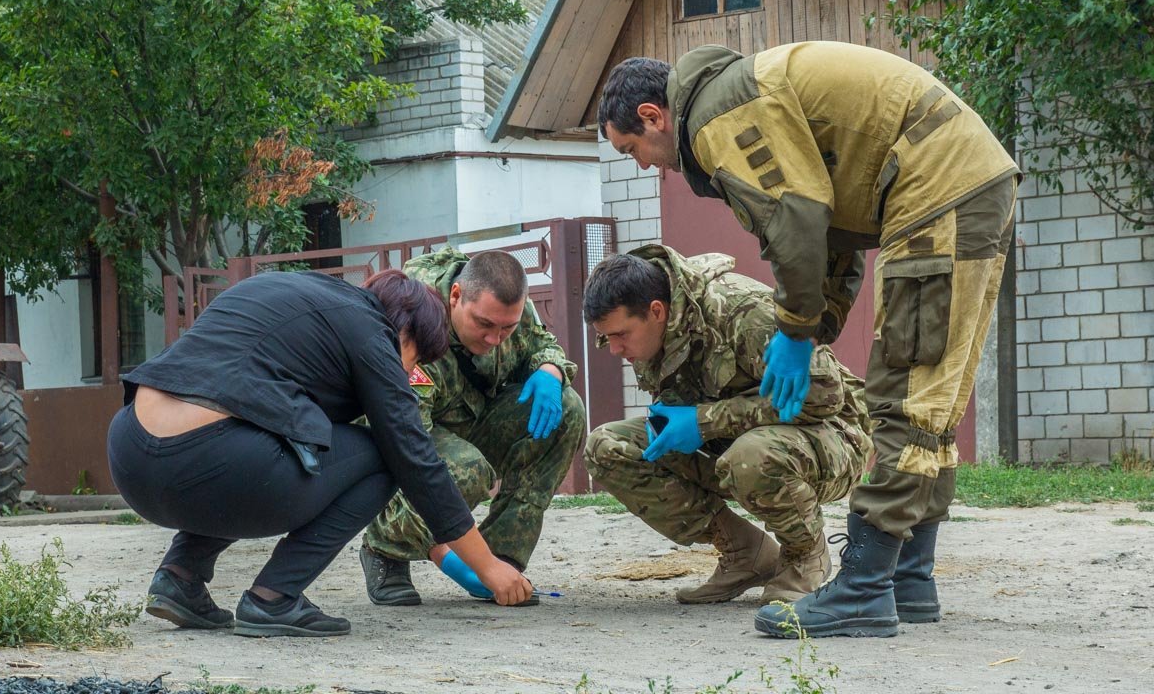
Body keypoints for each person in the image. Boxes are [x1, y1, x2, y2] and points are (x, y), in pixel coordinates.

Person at [597, 41, 1020, 638]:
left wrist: (796, 333)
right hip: (961, 180)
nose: (643, 165)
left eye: (631, 149)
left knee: (907, 395)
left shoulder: (718, 113)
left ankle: (865, 589)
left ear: (652, 116)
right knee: (932, 399)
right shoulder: (739, 94)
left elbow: (794, 218)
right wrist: (815, 327)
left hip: (937, 186)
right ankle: (908, 579)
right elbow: (832, 234)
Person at [107, 269, 532, 639]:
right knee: (383, 455)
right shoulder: (372, 331)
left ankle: (180, 577)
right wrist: (486, 566)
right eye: (416, 358)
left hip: (131, 456)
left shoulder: (293, 298)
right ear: (405, 330)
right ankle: (274, 597)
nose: (409, 373)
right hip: (210, 461)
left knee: (266, 445)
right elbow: (414, 458)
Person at [582, 245, 871, 606]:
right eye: (606, 337)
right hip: (737, 441)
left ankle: (804, 554)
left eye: (620, 335)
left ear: (656, 311)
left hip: (832, 435)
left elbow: (824, 394)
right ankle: (744, 553)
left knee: (751, 456)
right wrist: (673, 421)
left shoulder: (741, 311)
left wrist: (703, 421)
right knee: (608, 447)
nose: (614, 349)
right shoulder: (654, 330)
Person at [359, 248, 585, 606]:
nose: (496, 339)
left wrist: (550, 370)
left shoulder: (509, 309)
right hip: (411, 436)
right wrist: (448, 558)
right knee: (467, 469)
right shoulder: (412, 320)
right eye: (485, 325)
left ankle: (503, 559)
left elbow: (543, 345)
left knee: (567, 408)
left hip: (473, 421)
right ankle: (386, 548)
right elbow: (405, 451)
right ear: (456, 296)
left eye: (507, 328)